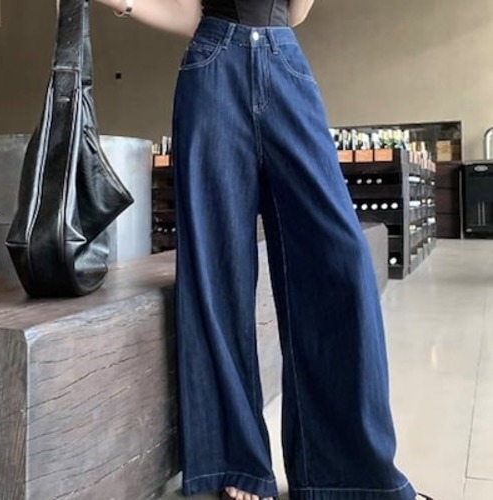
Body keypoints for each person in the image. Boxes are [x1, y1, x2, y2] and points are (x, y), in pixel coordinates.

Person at [94, 1, 432, 500]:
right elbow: (191, 11)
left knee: (341, 258)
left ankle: (347, 471)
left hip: (283, 61)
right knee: (216, 268)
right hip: (212, 65)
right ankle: (236, 461)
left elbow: (295, 13)